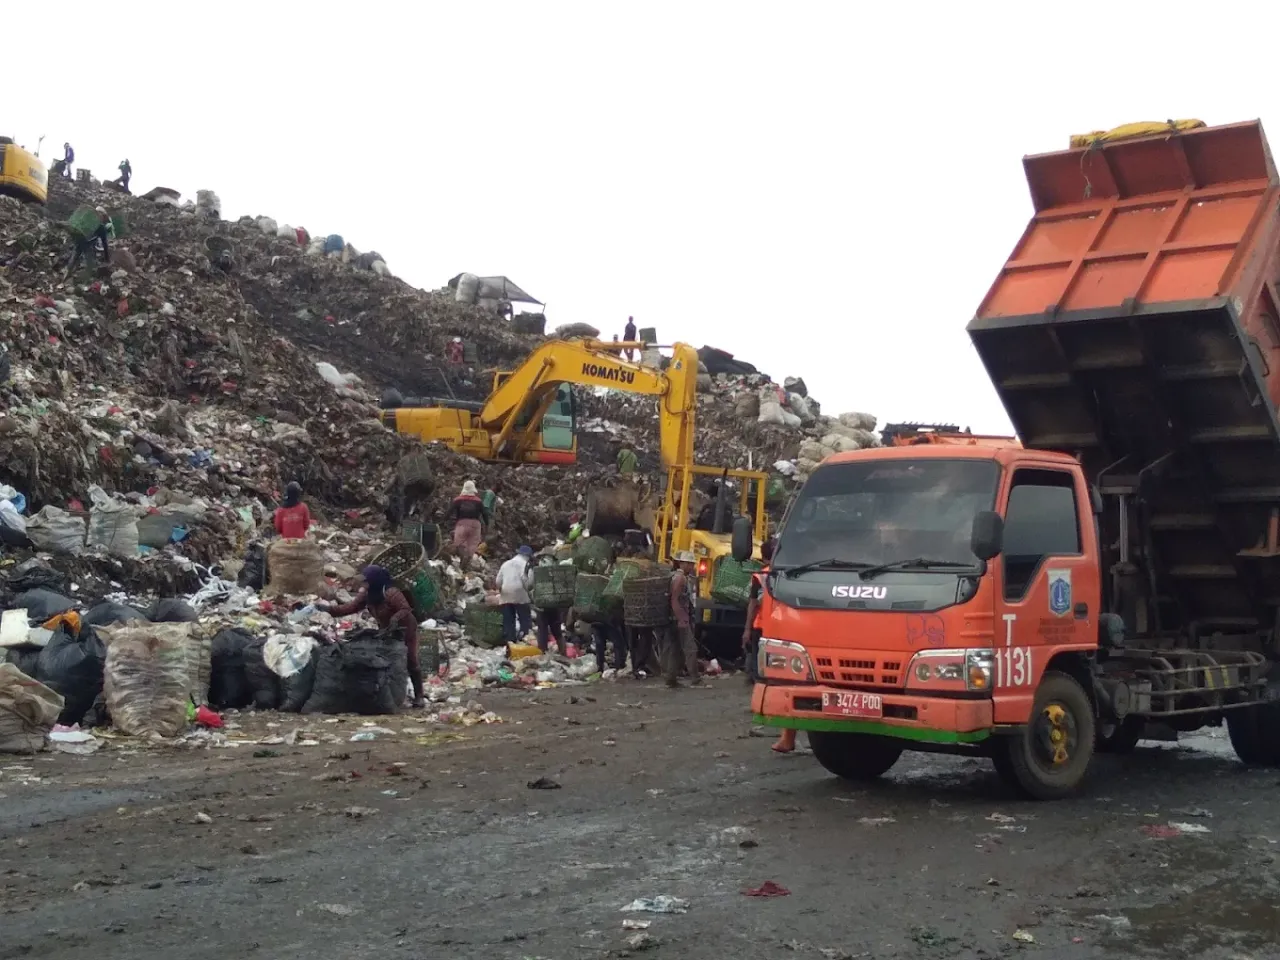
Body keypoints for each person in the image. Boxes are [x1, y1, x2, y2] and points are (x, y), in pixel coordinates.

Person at [318, 566, 425, 708]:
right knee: (387, 659)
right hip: (387, 629)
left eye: (367, 582)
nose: (365, 585)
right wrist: (329, 609)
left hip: (406, 629)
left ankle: (419, 696)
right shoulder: (367, 595)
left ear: (376, 581)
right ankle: (392, 694)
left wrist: (395, 618)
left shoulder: (390, 593)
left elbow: (405, 608)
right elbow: (350, 607)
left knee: (411, 660)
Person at [664, 551, 701, 688]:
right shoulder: (680, 579)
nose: (691, 566)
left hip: (673, 619)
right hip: (679, 619)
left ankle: (671, 679)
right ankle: (695, 678)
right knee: (690, 648)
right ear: (682, 563)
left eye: (692, 564)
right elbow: (675, 600)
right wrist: (682, 619)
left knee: (675, 649)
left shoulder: (677, 577)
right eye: (689, 563)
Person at [533, 551, 570, 655]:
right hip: (554, 605)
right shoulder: (557, 571)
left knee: (543, 630)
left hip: (542, 605)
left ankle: (542, 653)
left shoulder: (539, 569)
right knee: (557, 631)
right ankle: (563, 653)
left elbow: (531, 585)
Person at [496, 546, 535, 642]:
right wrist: (530, 594)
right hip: (520, 594)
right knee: (524, 618)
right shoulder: (526, 565)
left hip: (506, 593)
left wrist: (502, 590)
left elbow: (498, 581)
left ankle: (509, 641)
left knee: (508, 620)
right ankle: (525, 638)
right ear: (528, 556)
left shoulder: (506, 564)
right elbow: (528, 582)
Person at [65, 206, 111, 276]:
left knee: (75, 255)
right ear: (102, 216)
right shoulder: (101, 227)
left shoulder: (87, 220)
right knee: (89, 260)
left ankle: (67, 273)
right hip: (87, 243)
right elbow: (105, 244)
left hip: (79, 239)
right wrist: (107, 259)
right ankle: (86, 276)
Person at [450, 480, 485, 563]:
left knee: (459, 543)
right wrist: (486, 524)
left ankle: (463, 558)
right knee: (472, 544)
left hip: (461, 524)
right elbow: (485, 513)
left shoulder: (458, 500)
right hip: (475, 525)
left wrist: (443, 520)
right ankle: (468, 562)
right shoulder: (478, 501)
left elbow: (449, 511)